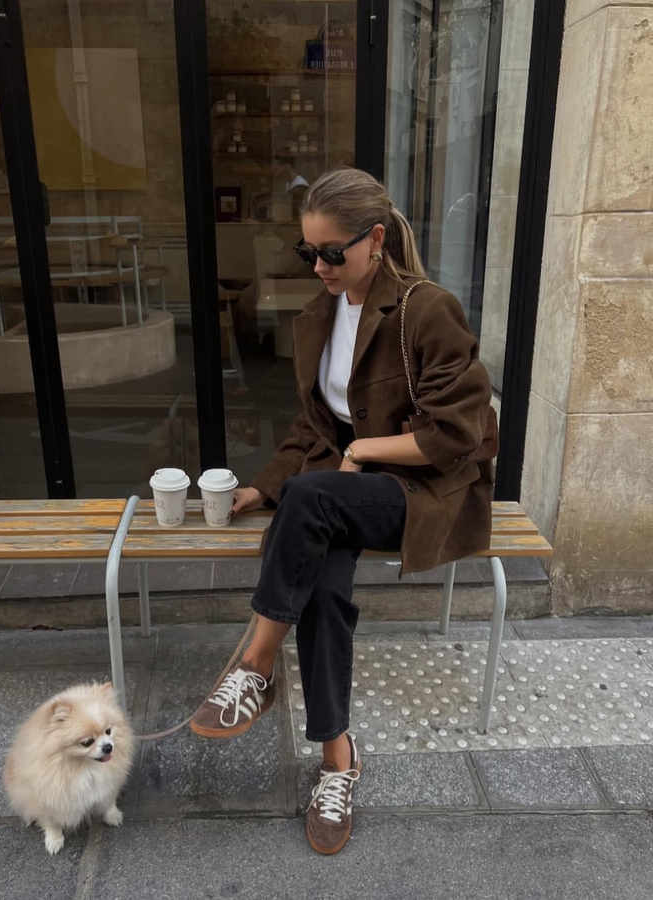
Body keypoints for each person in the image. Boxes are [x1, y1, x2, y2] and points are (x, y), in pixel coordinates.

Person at [190, 167, 494, 855]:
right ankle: (338, 760)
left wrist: (363, 451)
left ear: (376, 239)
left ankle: (255, 667)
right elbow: (314, 431)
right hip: (338, 495)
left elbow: (459, 432)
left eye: (333, 252)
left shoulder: (426, 308)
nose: (320, 266)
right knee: (322, 582)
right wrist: (263, 487)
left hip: (419, 491)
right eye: (309, 252)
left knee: (313, 494)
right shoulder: (321, 318)